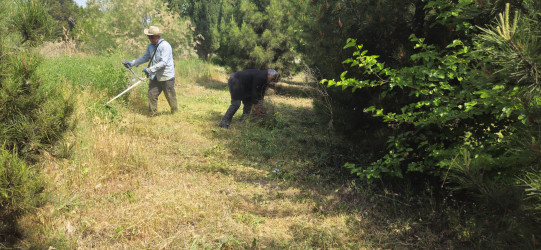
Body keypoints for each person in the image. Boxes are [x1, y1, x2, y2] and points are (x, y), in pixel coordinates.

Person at [123, 26, 177, 116]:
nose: (150, 39)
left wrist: (150, 69)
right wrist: (132, 63)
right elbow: (145, 57)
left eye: (152, 37)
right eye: (149, 37)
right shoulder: (150, 46)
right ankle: (152, 114)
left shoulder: (165, 46)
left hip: (166, 75)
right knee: (151, 94)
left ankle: (175, 113)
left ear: (158, 36)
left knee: (170, 95)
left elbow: (163, 62)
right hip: (155, 75)